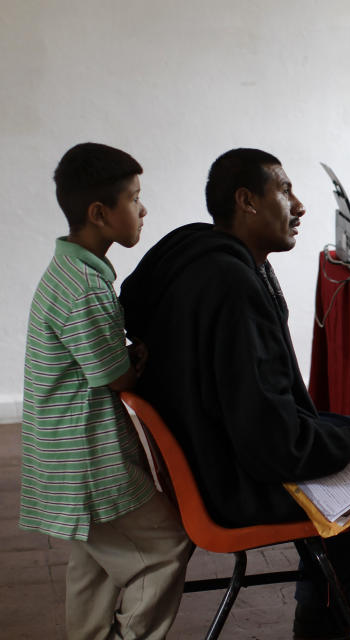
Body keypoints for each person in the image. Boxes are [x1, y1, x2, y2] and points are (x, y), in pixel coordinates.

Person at [119, 148, 350, 640]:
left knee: (349, 433)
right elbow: (276, 446)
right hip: (239, 482)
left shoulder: (193, 255)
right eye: (285, 190)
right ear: (246, 201)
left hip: (213, 454)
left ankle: (320, 624)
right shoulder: (231, 286)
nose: (300, 205)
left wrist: (347, 438)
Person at [20, 143, 191, 639]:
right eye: (134, 198)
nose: (143, 209)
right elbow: (116, 378)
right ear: (100, 213)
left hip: (65, 452)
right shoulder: (86, 287)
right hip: (89, 459)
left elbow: (100, 362)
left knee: (94, 564)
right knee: (166, 548)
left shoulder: (70, 272)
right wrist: (140, 360)